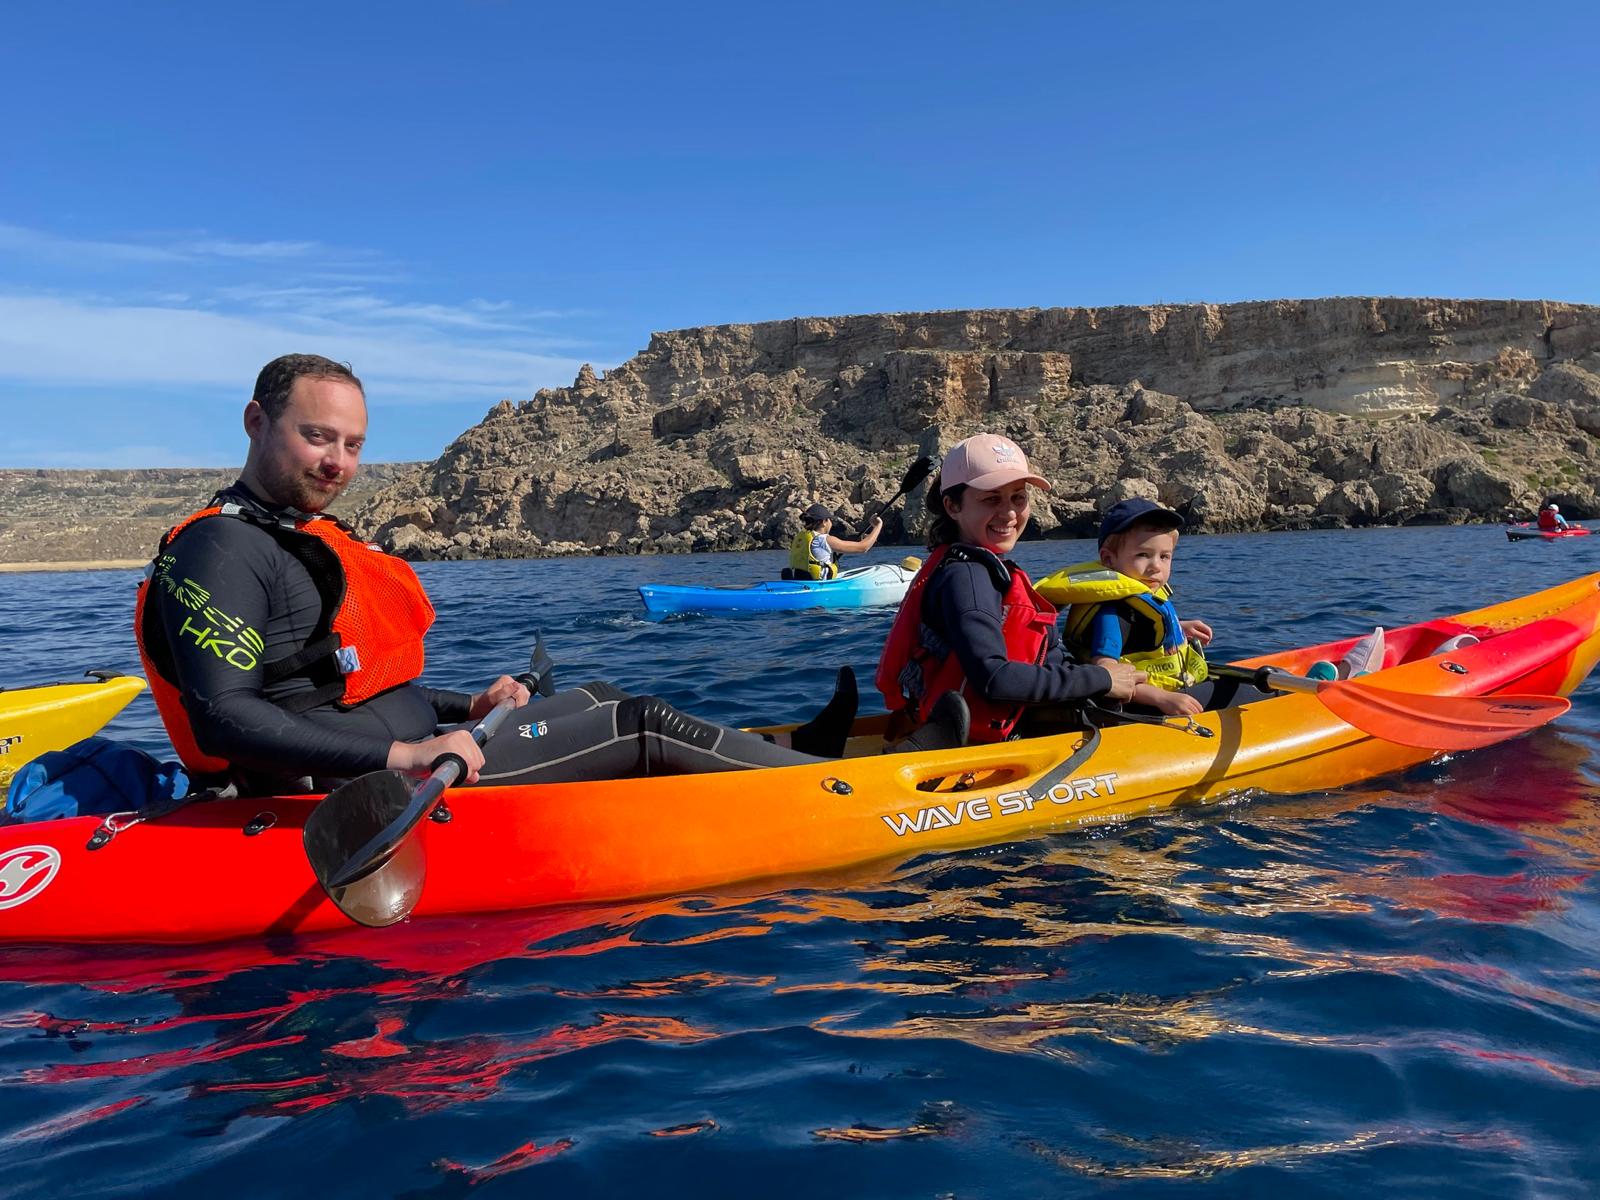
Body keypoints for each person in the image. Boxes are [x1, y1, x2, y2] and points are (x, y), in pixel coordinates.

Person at [135, 354, 856, 797]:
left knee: (599, 693)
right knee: (638, 725)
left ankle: (792, 755)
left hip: (433, 752)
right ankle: (840, 792)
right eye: (317, 436)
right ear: (257, 421)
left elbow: (349, 684)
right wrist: (412, 751)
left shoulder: (296, 537)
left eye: (353, 444)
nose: (338, 463)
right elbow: (225, 716)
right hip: (361, 787)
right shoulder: (219, 550)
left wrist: (465, 709)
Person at [875, 433, 1141, 747]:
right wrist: (1103, 679)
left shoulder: (976, 567)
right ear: (952, 506)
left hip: (993, 719)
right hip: (980, 739)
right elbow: (994, 678)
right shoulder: (968, 576)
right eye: (991, 498)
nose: (1010, 513)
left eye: (1018, 497)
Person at [1037, 499, 1215, 719]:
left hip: (1172, 688)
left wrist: (1179, 627)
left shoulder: (1142, 595)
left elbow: (1140, 632)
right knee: (1246, 694)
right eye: (1143, 555)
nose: (1155, 566)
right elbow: (1108, 675)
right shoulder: (1111, 615)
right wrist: (1161, 699)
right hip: (1144, 706)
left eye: (1164, 556)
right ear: (1109, 559)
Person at [786, 502, 882, 579]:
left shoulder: (801, 537)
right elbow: (863, 547)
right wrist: (877, 526)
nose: (831, 523)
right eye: (829, 520)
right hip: (818, 587)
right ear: (824, 522)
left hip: (800, 582)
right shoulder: (824, 540)